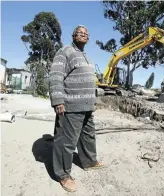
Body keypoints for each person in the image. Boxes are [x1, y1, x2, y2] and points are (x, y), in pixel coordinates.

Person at [49, 25, 104, 192]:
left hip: (86, 106)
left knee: (88, 136)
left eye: (86, 33)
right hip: (71, 105)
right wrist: (58, 100)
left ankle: (89, 161)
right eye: (80, 32)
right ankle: (63, 175)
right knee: (66, 142)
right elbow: (56, 75)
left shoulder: (85, 56)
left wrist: (93, 100)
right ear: (73, 36)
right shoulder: (65, 51)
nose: (84, 35)